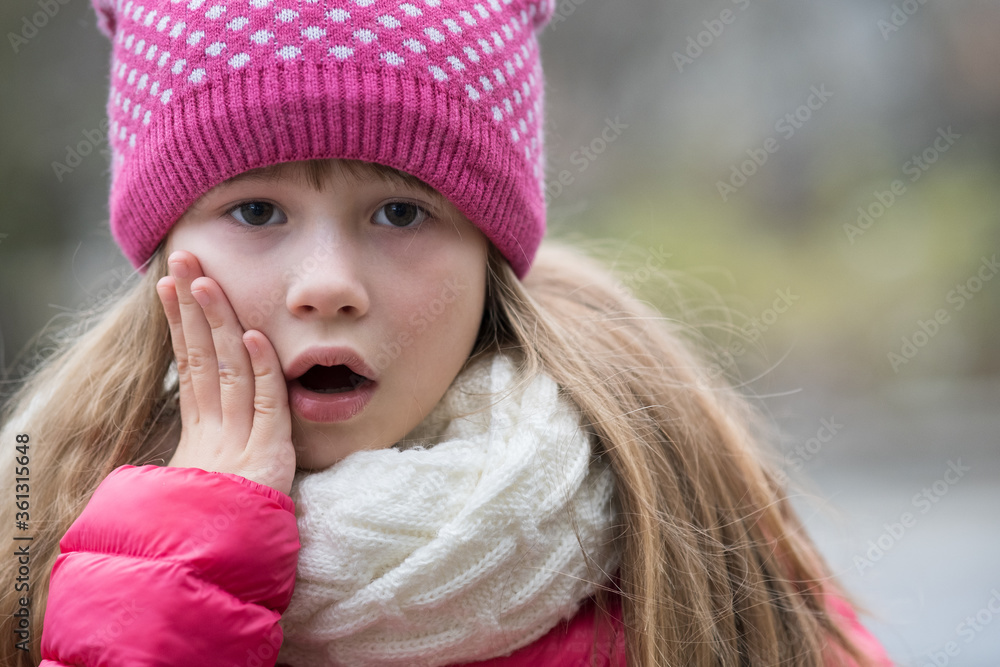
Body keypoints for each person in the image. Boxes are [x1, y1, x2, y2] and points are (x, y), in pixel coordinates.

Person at [0, 0, 894, 665]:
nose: (328, 286)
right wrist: (189, 564)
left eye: (399, 212)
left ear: (490, 255)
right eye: (257, 209)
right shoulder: (39, 532)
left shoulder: (677, 524)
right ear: (163, 255)